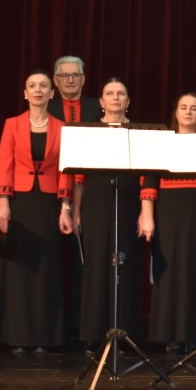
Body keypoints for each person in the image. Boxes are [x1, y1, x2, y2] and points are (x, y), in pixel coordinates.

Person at [143, 92, 196, 351]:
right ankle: (171, 335)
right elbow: (149, 181)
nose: (189, 112)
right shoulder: (162, 144)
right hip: (169, 216)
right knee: (171, 272)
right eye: (183, 107)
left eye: (194, 108)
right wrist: (147, 216)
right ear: (176, 112)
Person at [0, 70, 72, 353]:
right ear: (25, 93)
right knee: (18, 269)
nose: (38, 90)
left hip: (48, 204)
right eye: (32, 86)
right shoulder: (12, 124)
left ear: (52, 93)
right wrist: (3, 203)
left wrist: (65, 207)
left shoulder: (62, 128)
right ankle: (18, 337)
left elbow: (66, 170)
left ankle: (43, 338)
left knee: (45, 271)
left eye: (43, 86)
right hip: (19, 202)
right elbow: (4, 164)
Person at [69, 78, 144, 348]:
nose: (115, 98)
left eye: (121, 93)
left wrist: (144, 211)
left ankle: (125, 331)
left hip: (129, 201)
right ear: (101, 101)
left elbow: (146, 175)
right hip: (95, 202)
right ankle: (94, 332)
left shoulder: (138, 132)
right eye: (110, 93)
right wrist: (76, 211)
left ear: (128, 101)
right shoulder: (89, 131)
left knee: (127, 263)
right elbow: (79, 177)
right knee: (97, 263)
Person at [46, 55, 100, 342]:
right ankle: (51, 328)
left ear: (83, 79)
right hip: (47, 191)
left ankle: (82, 326)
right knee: (50, 262)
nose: (70, 80)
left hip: (88, 194)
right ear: (55, 81)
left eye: (75, 75)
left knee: (85, 263)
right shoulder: (46, 107)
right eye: (64, 75)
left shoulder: (96, 107)